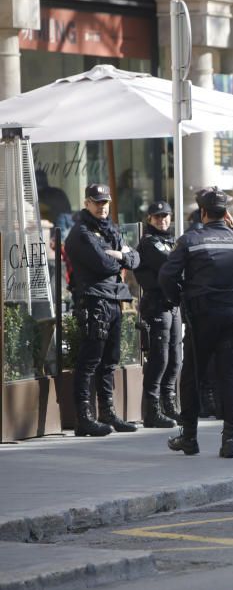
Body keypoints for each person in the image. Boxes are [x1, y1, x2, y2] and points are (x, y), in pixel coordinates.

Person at [160, 187, 233, 458]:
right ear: (225, 212)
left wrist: (178, 298)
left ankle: (190, 438)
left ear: (202, 212)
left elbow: (166, 276)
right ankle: (230, 441)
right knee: (227, 376)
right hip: (230, 316)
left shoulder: (190, 239)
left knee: (193, 376)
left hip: (200, 317)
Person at [63, 183, 140, 436]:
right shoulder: (81, 233)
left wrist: (119, 255)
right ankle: (83, 418)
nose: (102, 207)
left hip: (114, 299)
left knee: (110, 361)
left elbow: (135, 258)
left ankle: (107, 412)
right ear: (87, 203)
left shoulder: (111, 230)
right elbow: (104, 264)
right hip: (94, 300)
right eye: (97, 202)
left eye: (105, 202)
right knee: (90, 361)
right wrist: (120, 257)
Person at [134, 201, 181, 428]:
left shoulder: (172, 241)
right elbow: (170, 263)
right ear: (149, 219)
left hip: (173, 304)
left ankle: (169, 405)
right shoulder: (149, 242)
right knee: (159, 358)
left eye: (166, 216)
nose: (162, 220)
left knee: (175, 357)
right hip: (157, 304)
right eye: (157, 217)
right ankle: (152, 410)